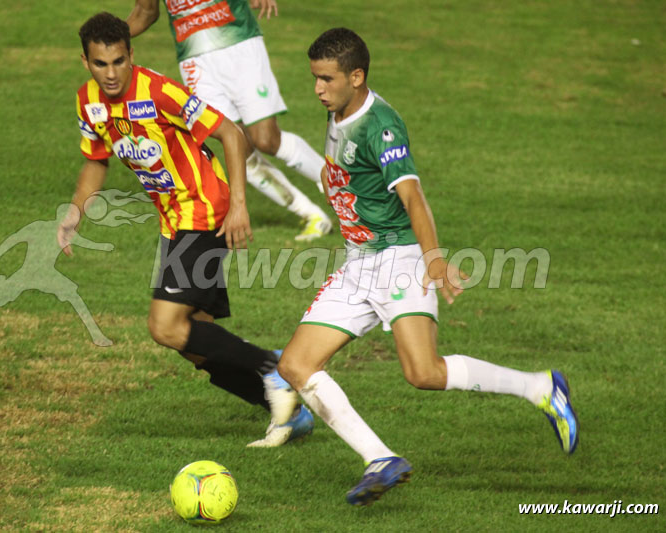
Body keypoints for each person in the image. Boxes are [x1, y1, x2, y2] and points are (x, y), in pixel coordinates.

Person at [275, 28, 579, 506]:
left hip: (399, 259)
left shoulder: (382, 126)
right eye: (314, 78)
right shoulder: (338, 111)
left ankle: (541, 387)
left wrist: (433, 258)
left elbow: (413, 197)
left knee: (424, 373)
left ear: (356, 77)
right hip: (358, 264)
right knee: (295, 365)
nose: (317, 88)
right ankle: (380, 459)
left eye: (326, 79)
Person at [59, 12, 313, 447]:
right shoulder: (89, 102)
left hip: (204, 210)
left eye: (119, 61)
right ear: (86, 62)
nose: (112, 73)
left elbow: (231, 133)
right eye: (101, 64)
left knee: (165, 326)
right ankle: (286, 408)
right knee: (196, 339)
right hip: (173, 220)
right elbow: (95, 159)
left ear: (131, 54)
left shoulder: (159, 91)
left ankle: (277, 369)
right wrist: (76, 211)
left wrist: (238, 204)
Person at [126, 0, 333, 241]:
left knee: (266, 139)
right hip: (195, 61)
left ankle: (344, 188)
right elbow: (146, 11)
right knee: (238, 146)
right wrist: (110, 38)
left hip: (238, 42)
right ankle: (312, 215)